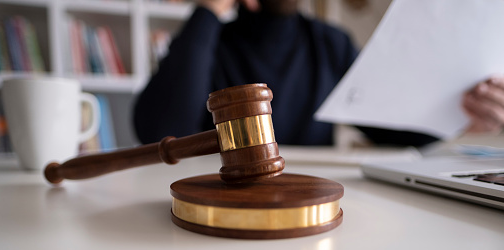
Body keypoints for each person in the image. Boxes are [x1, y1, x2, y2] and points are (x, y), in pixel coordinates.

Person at [133, 0, 504, 146]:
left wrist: (462, 115)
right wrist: (208, 9)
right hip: (219, 205)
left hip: (313, 209)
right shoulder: (207, 43)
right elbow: (160, 134)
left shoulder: (330, 44)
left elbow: (389, 124)